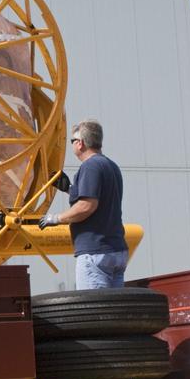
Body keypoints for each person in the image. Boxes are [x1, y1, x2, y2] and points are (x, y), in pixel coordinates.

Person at [38, 119, 128, 289]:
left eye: (72, 141)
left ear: (80, 143)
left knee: (95, 310)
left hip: (95, 253)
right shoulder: (111, 166)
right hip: (116, 251)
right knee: (113, 311)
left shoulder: (90, 166)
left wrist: (55, 218)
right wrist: (70, 189)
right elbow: (101, 201)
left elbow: (87, 206)